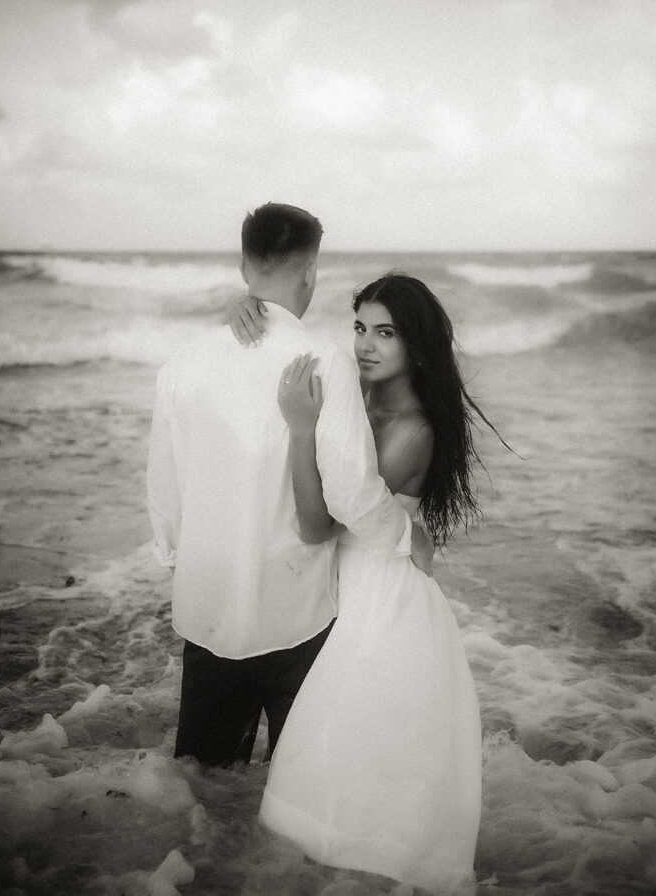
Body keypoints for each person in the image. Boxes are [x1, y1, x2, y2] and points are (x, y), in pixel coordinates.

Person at [228, 272, 484, 894]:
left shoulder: (411, 429)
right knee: (338, 760)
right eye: (361, 328)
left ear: (416, 345)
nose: (366, 345)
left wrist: (299, 428)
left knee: (368, 771)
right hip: (351, 588)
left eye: (386, 333)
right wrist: (248, 308)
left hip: (385, 602)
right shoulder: (361, 403)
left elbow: (318, 524)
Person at [146, 203, 418, 768]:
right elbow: (350, 494)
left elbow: (165, 494)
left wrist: (185, 559)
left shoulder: (181, 365)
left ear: (245, 266)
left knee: (204, 782)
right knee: (301, 786)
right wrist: (404, 537)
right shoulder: (324, 362)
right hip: (298, 615)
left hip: (210, 610)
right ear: (310, 271)